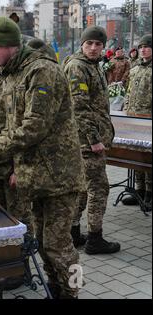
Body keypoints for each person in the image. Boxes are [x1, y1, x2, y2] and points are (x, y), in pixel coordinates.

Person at [0, 17, 84, 299]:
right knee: (41, 241)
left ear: (8, 46)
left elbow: (34, 126)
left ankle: (73, 290)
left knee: (60, 245)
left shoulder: (42, 71)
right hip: (36, 176)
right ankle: (56, 287)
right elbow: (10, 126)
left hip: (59, 176)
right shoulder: (15, 73)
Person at [0, 34, 32, 290]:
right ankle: (6, 265)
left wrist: (18, 168)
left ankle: (23, 269)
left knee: (19, 219)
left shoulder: (15, 83)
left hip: (12, 165)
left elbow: (23, 129)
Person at [63, 26, 120, 254]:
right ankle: (95, 240)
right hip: (86, 141)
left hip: (88, 139)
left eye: (98, 44)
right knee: (99, 187)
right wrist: (94, 139)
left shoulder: (93, 66)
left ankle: (74, 233)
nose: (94, 48)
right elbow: (79, 108)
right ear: (82, 44)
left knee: (83, 189)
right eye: (90, 44)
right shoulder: (77, 66)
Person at [122, 34, 152, 211]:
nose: (143, 49)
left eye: (147, 46)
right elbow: (128, 91)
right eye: (141, 47)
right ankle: (139, 191)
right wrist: (127, 109)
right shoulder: (134, 69)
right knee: (137, 157)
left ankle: (150, 193)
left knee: (149, 158)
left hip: (149, 119)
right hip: (134, 118)